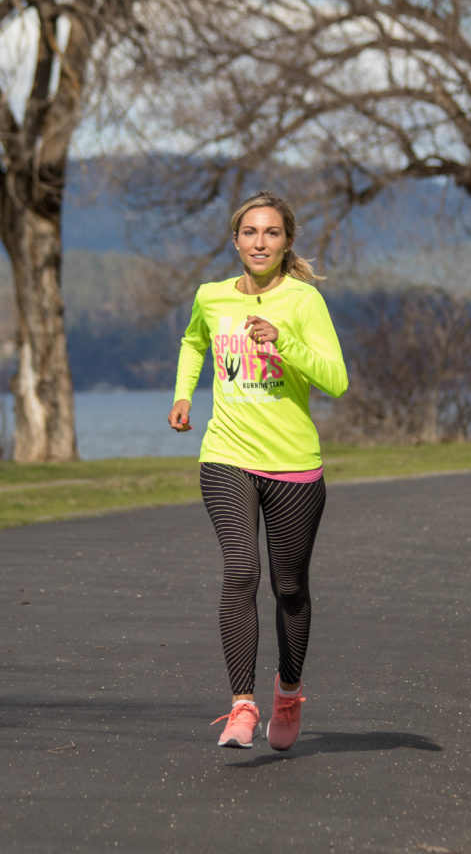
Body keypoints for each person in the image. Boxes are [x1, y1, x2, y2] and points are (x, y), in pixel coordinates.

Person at [167, 191, 348, 752]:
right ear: (236, 240)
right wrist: (183, 396)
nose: (260, 242)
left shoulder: (304, 302)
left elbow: (336, 380)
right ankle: (241, 705)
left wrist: (283, 340)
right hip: (227, 454)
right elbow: (194, 340)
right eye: (250, 232)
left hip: (294, 464)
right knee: (242, 572)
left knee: (289, 588)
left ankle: (288, 691)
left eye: (271, 233)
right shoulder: (212, 297)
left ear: (287, 240)